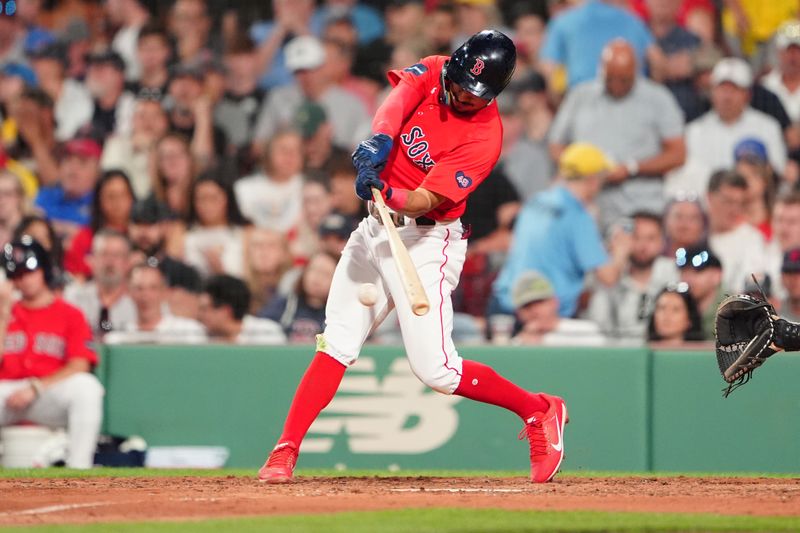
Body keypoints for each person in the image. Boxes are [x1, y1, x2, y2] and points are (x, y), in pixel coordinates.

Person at [258, 30, 568, 485]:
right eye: (460, 82)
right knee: (337, 342)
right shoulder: (436, 66)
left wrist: (388, 190)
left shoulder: (484, 137)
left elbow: (425, 200)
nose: (462, 93)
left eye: (474, 91)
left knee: (438, 371)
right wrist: (379, 143)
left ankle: (540, 410)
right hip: (375, 230)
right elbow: (396, 103)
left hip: (429, 241)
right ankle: (284, 451)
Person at [0, 236, 103, 468]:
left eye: (29, 271)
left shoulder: (70, 314)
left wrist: (36, 388)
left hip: (46, 392)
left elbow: (80, 365)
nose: (24, 279)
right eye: (17, 275)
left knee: (87, 388)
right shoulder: (4, 312)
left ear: (44, 269)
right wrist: (3, 314)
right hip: (7, 394)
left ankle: (78, 469)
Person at [492, 142, 627, 318]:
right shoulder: (578, 217)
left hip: (503, 306)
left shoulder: (535, 202)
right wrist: (621, 252)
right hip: (541, 318)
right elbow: (608, 277)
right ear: (593, 181)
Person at [511, 270, 605, 346]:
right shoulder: (516, 345)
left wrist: (545, 340)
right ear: (518, 313)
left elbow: (600, 345)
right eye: (527, 306)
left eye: (539, 302)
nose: (534, 310)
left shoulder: (586, 330)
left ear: (554, 302)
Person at [198, 274, 285, 344]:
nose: (200, 315)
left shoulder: (266, 332)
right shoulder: (198, 335)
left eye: (204, 309)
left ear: (226, 311)